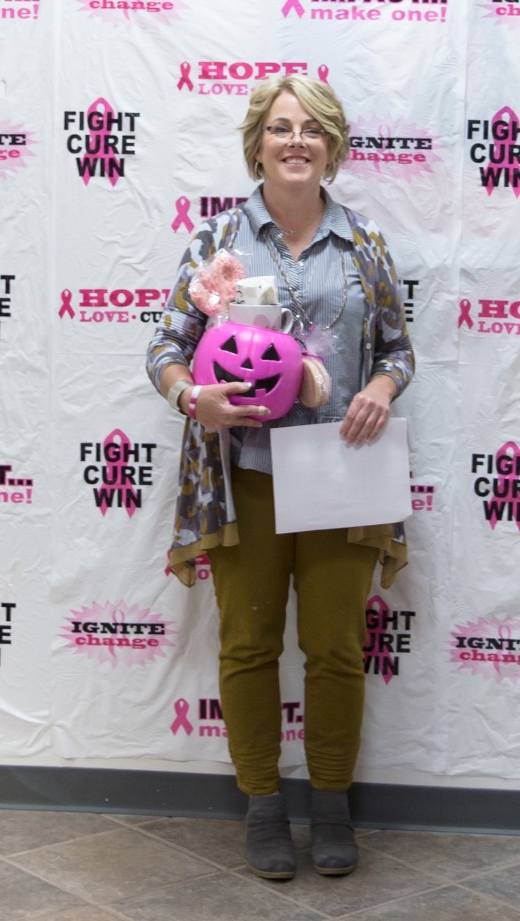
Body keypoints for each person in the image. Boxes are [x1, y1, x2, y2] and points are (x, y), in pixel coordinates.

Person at [147, 75, 414, 880]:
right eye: (281, 127)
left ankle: (331, 805)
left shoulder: (363, 241)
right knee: (249, 644)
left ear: (332, 147)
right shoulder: (219, 239)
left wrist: (379, 388)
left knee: (334, 649)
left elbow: (398, 351)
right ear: (257, 143)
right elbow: (164, 348)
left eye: (312, 129)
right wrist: (192, 398)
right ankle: (263, 807)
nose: (296, 141)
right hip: (245, 475)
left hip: (340, 474)